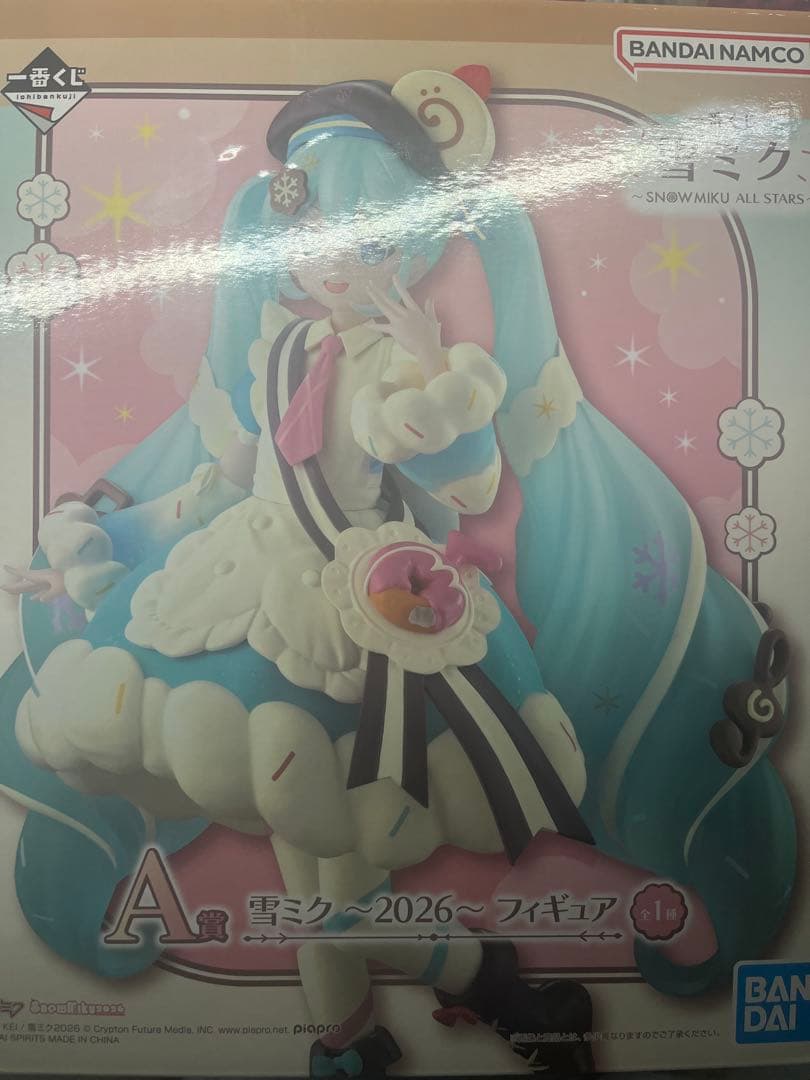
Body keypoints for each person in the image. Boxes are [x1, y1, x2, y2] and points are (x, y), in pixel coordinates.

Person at [0, 68, 793, 1078]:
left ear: (414, 246)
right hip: (246, 588)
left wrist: (434, 372)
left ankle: (451, 1001)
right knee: (317, 872)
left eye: (372, 241)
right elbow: (223, 482)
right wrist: (103, 543)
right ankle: (395, 1024)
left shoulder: (399, 364)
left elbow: (466, 480)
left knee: (327, 868)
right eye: (320, 238)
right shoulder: (278, 353)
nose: (341, 263)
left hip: (362, 613)